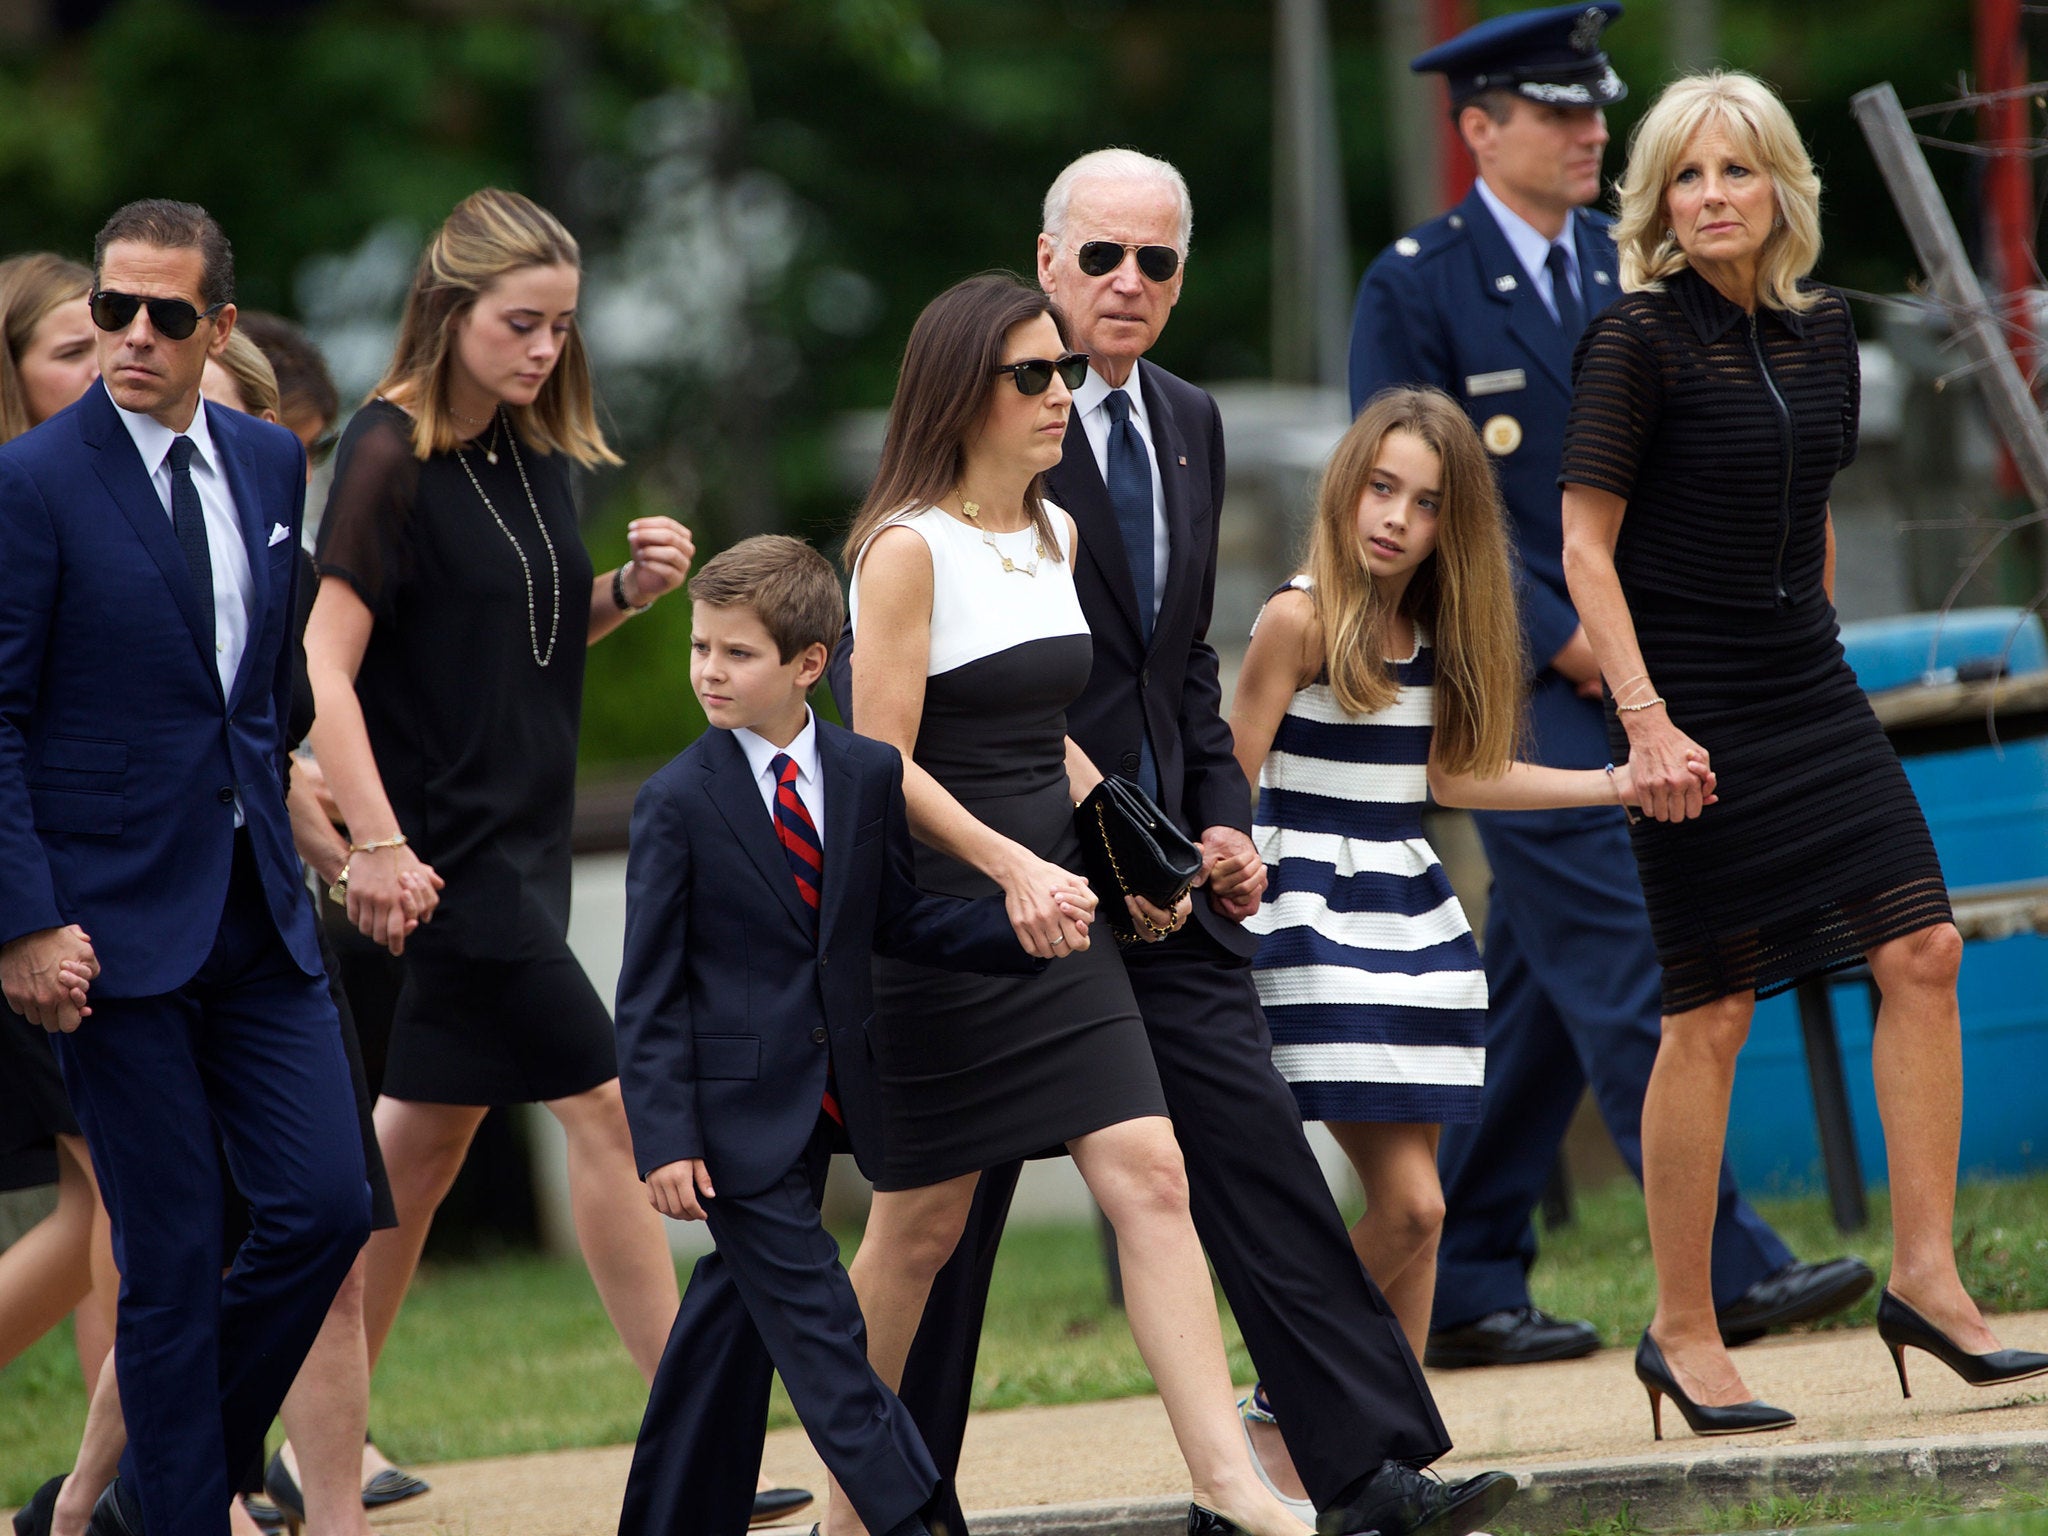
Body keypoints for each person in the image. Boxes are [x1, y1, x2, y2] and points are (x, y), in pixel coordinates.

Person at [834, 151, 1511, 1536]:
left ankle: (1360, 1467)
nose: (1128, 285)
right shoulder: (989, 443)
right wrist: (1045, 855)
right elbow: (896, 728)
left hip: (1154, 873)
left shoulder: (1192, 423)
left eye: (1156, 262)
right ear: (1046, 262)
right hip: (995, 882)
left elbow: (1177, 673)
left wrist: (1214, 817)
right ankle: (903, 1501)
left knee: (1244, 1151)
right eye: (1102, 259)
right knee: (936, 1229)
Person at [1347, 0, 1870, 1381]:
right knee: (1637, 954)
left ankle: (1458, 1278)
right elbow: (1416, 499)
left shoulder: (1621, 268)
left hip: (1652, 663)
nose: (1593, 133)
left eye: (1596, 110)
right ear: (1478, 130)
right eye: (1561, 112)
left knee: (1538, 974)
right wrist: (1564, 641)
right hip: (1511, 679)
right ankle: (1730, 1267)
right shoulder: (1418, 281)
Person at [1559, 69, 2048, 1437]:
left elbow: (1813, 506)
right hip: (1685, 702)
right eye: (1688, 176)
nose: (1714, 196)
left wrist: (1816, 636)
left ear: (1782, 188)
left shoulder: (1825, 331)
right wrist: (1645, 719)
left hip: (1804, 684)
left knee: (1926, 950)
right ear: (1657, 203)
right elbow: (1582, 547)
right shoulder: (1635, 342)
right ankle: (1681, 1327)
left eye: (1739, 170)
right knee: (1711, 1011)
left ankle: (1930, 1279)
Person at [832, 270, 1315, 1536]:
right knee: (916, 1237)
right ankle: (843, 1509)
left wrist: (1133, 856)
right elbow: (874, 768)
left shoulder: (1050, 532)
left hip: (1060, 911)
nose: (1060, 396)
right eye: (1031, 377)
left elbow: (1050, 738)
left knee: (1151, 1175)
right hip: (947, 924)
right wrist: (1009, 871)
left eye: (1059, 373)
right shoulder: (902, 549)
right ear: (960, 394)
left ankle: (1232, 1489)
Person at [0, 198, 372, 1536]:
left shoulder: (272, 464)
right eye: (111, 309)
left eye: (166, 314)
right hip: (103, 930)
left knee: (327, 1207)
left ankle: (154, 1490)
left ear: (221, 326)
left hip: (255, 912)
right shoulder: (32, 482)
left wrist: (309, 816)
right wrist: (24, 922)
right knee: (162, 1260)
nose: (132, 337)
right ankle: (175, 1509)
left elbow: (263, 692)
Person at [303, 189, 692, 1437]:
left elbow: (508, 636)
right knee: (609, 1108)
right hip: (448, 855)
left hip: (517, 841)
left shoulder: (531, 453)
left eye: (561, 328)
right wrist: (377, 841)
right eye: (520, 324)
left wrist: (626, 592)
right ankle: (696, 1428)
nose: (543, 350)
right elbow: (320, 668)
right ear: (449, 311)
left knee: (416, 1155)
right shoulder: (384, 450)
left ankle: (299, 1425)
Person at [1228, 386, 1699, 1366]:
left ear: (1456, 522)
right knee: (1410, 1208)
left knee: (1422, 1222)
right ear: (1345, 489)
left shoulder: (1442, 632)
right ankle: (1297, 1392)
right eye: (1380, 488)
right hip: (1307, 915)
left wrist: (1615, 780)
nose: (1397, 518)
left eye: (1427, 501)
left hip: (1413, 920)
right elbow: (1222, 787)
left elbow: (1457, 774)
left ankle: (1396, 1453)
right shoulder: (1297, 617)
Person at [613, 535, 1053, 1536]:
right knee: (823, 1334)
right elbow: (645, 994)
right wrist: (666, 1135)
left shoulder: (860, 774)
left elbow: (895, 920)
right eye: (699, 649)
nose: (708, 673)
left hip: (827, 1100)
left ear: (810, 663)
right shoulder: (675, 802)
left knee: (726, 1334)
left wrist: (1018, 932)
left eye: (736, 654)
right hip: (728, 1122)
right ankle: (921, 1522)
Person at [0, 251, 118, 1405]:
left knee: (101, 1203)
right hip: (36, 899)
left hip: (95, 888)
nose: (102, 369)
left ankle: (118, 1485)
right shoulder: (18, 500)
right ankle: (151, 1489)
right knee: (132, 1195)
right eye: (69, 351)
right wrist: (28, 915)